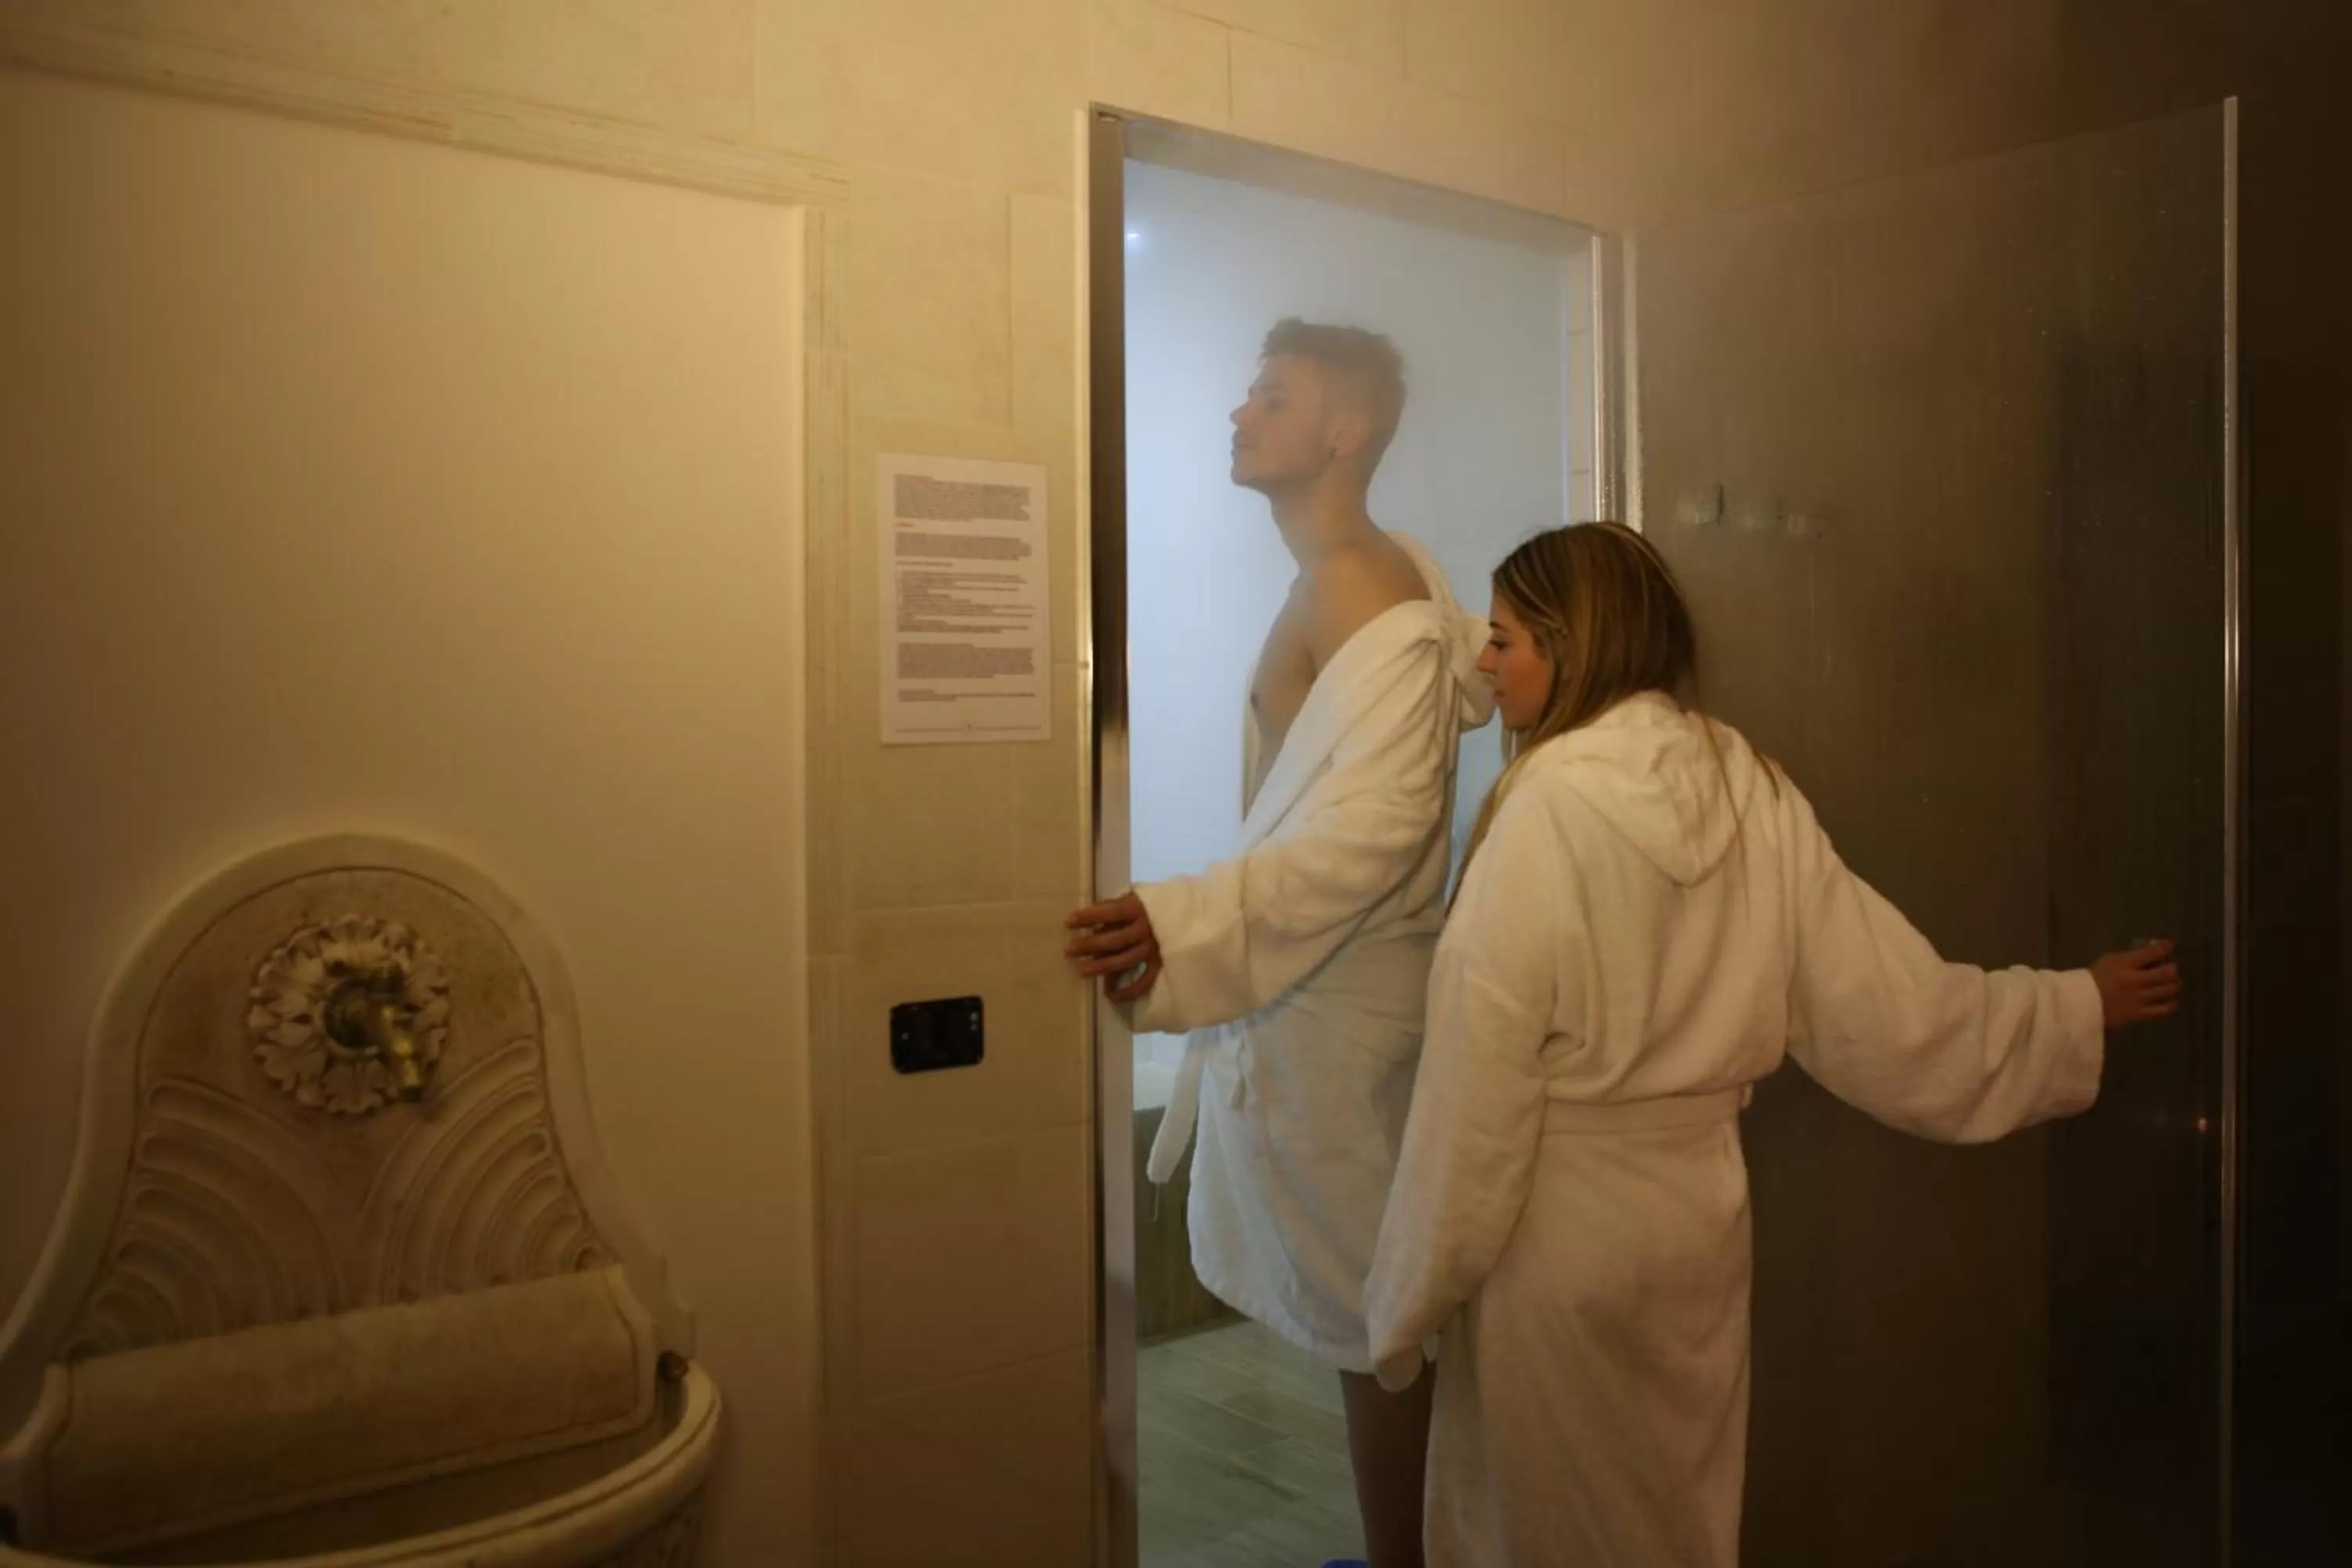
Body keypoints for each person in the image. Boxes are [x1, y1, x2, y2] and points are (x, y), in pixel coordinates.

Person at [1363, 521, 2181, 1567]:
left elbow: (1476, 1093)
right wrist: (2069, 1008)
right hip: (1695, 1231)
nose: (1486, 663)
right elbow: (1890, 1007)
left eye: (1507, 639)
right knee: (1676, 1529)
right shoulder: (1744, 782)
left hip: (1559, 1236)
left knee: (1549, 1532)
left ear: (1577, 649)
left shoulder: (1544, 808)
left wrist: (1408, 1295)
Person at [1065, 319, 1492, 1568]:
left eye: (1271, 397)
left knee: (1385, 1328)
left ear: (1344, 432)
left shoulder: (1360, 578)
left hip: (1348, 1009)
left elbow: (1380, 826)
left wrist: (1187, 918)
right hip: (1326, 996)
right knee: (1379, 1323)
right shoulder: (1338, 572)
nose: (1238, 416)